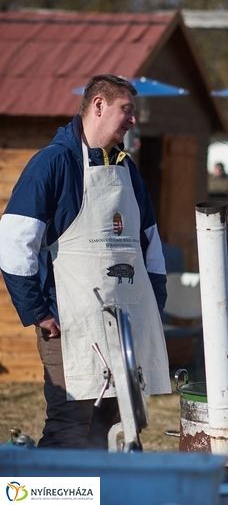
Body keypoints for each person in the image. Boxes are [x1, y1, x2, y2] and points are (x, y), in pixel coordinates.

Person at [0, 74, 171, 449]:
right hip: (69, 327)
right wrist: (39, 312)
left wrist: (152, 307)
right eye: (126, 110)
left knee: (116, 428)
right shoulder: (52, 164)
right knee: (70, 428)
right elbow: (13, 244)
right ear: (98, 106)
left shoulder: (128, 170)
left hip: (122, 329)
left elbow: (151, 248)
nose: (132, 120)